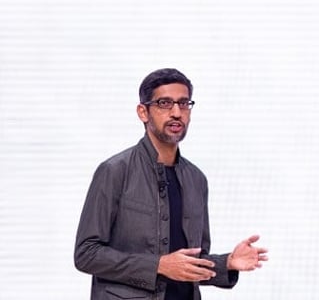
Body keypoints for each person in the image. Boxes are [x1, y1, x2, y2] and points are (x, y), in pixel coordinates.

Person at [74, 68, 268, 300]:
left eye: (184, 103)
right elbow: (86, 254)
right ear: (143, 112)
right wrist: (158, 265)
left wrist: (227, 262)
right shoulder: (115, 171)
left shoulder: (196, 179)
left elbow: (189, 263)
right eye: (164, 103)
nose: (176, 112)